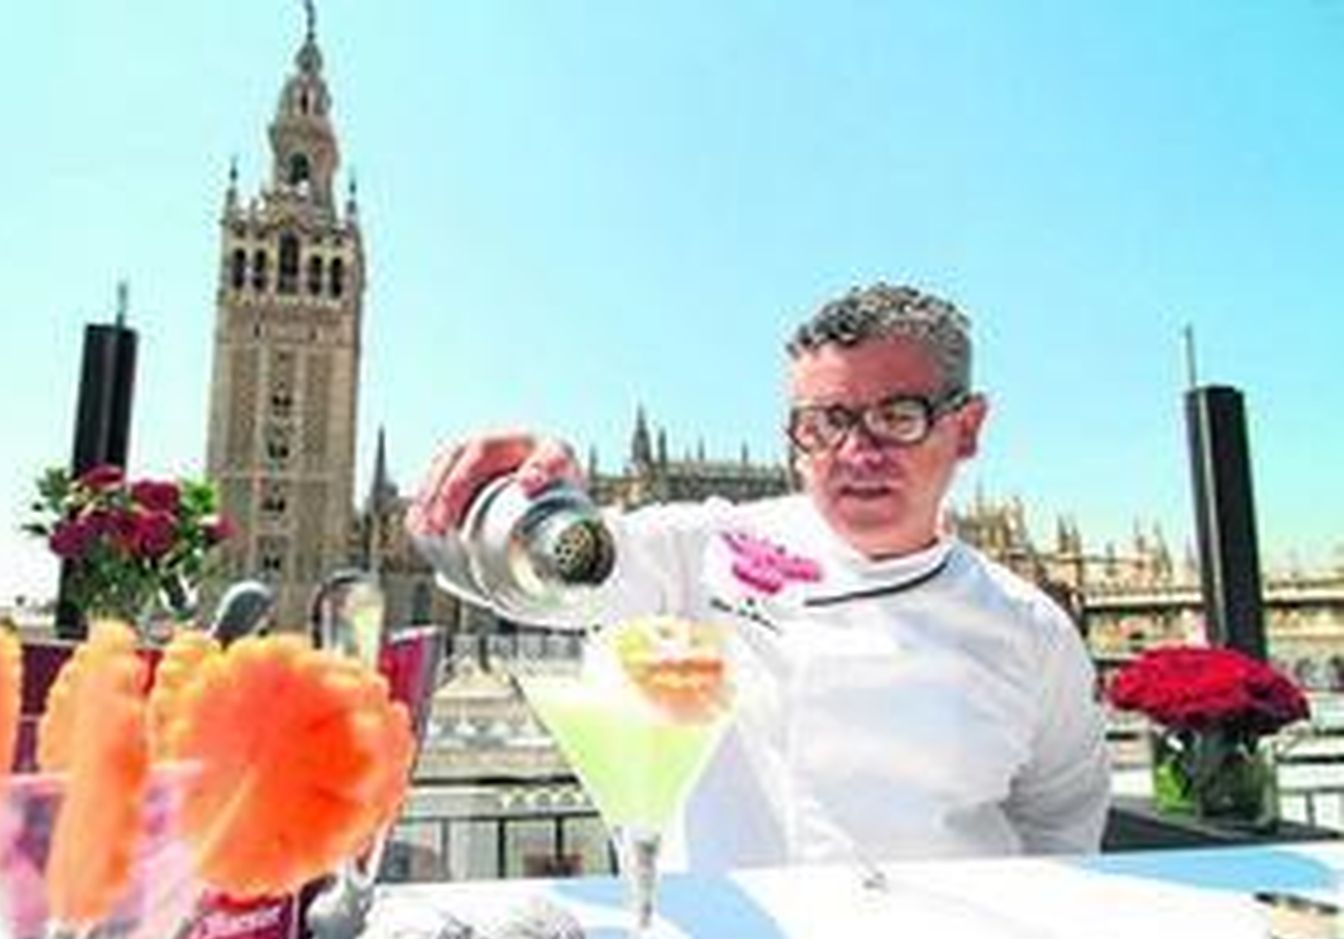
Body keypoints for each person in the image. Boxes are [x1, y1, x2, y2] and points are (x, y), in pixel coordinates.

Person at [406, 282, 1110, 872]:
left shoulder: (1032, 632)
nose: (856, 452)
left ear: (968, 427)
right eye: (824, 423)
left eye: (897, 416)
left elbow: (1061, 840)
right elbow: (509, 572)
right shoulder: (705, 547)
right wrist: (510, 500)